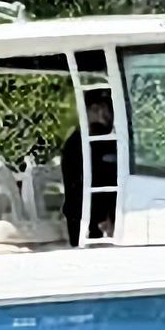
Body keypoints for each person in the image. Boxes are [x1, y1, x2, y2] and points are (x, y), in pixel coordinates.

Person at [61, 92, 116, 241]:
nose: (107, 116)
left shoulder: (105, 138)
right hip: (85, 215)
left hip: (98, 211)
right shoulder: (78, 143)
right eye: (103, 110)